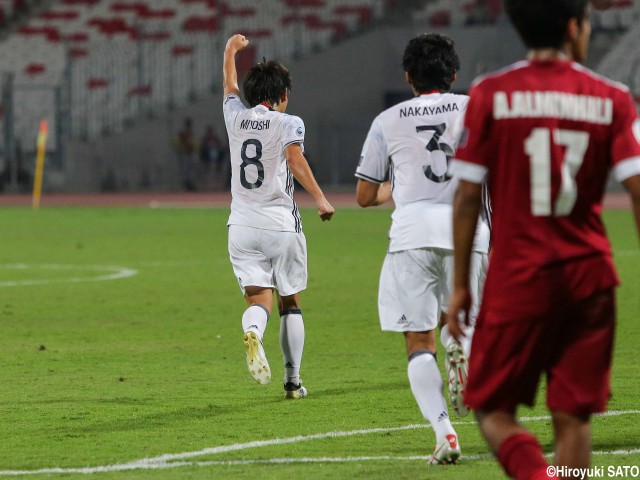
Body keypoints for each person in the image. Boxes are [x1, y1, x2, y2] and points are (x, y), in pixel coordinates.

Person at [447, 1, 640, 479]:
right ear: (575, 27)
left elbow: (468, 196)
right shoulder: (612, 98)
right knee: (573, 415)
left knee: (491, 407)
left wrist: (460, 285)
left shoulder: (490, 93)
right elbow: (637, 188)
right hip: (590, 276)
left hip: (519, 274)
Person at [355, 33, 490, 464]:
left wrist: (399, 189)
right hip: (469, 233)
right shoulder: (475, 108)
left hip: (412, 233)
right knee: (461, 321)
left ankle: (444, 433)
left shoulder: (387, 120)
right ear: (453, 74)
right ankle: (462, 349)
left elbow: (363, 194)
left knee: (418, 339)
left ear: (408, 77)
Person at [222, 34, 335, 399]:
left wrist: (229, 51)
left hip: (241, 225)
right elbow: (295, 159)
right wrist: (320, 199)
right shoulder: (289, 123)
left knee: (259, 302)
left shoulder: (234, 117)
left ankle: (254, 331)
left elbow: (228, 85)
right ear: (282, 96)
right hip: (280, 224)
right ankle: (292, 381)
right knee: (291, 302)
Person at [173, 117, 198, 191]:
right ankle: (186, 184)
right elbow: (177, 143)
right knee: (185, 169)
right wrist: (181, 148)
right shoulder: (183, 133)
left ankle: (191, 184)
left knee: (191, 169)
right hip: (185, 153)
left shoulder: (191, 133)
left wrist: (194, 150)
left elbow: (194, 143)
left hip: (190, 153)